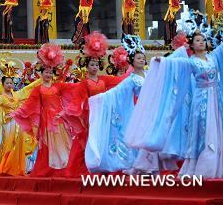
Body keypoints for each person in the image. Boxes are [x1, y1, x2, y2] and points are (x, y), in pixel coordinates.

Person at [126, 10, 223, 178]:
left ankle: (220, 163)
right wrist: (161, 62)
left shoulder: (214, 57)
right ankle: (202, 165)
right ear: (191, 44)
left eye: (203, 40)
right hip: (201, 100)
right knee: (203, 131)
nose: (201, 43)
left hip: (216, 99)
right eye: (197, 40)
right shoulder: (190, 62)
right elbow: (174, 64)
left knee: (218, 129)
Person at [85, 35, 178, 174]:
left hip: (154, 111)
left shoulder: (149, 74)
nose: (141, 60)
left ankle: (151, 166)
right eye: (138, 58)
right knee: (144, 139)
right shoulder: (132, 79)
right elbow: (117, 92)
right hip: (142, 111)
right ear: (132, 61)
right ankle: (142, 166)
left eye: (143, 58)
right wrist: (99, 100)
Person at [11, 44, 85, 177]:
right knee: (49, 145)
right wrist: (18, 113)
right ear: (41, 73)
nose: (49, 74)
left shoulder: (58, 86)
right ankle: (50, 169)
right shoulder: (38, 89)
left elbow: (73, 88)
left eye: (51, 72)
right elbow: (29, 105)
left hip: (60, 120)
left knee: (65, 143)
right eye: (46, 72)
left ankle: (68, 168)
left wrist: (84, 85)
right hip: (46, 122)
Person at [67, 31, 129, 176]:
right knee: (88, 140)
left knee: (103, 139)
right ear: (86, 66)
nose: (94, 67)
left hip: (103, 115)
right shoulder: (84, 83)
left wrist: (132, 73)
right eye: (92, 64)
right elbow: (78, 100)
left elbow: (119, 82)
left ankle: (104, 165)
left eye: (96, 64)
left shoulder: (104, 80)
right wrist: (71, 111)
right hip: (90, 116)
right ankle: (82, 168)